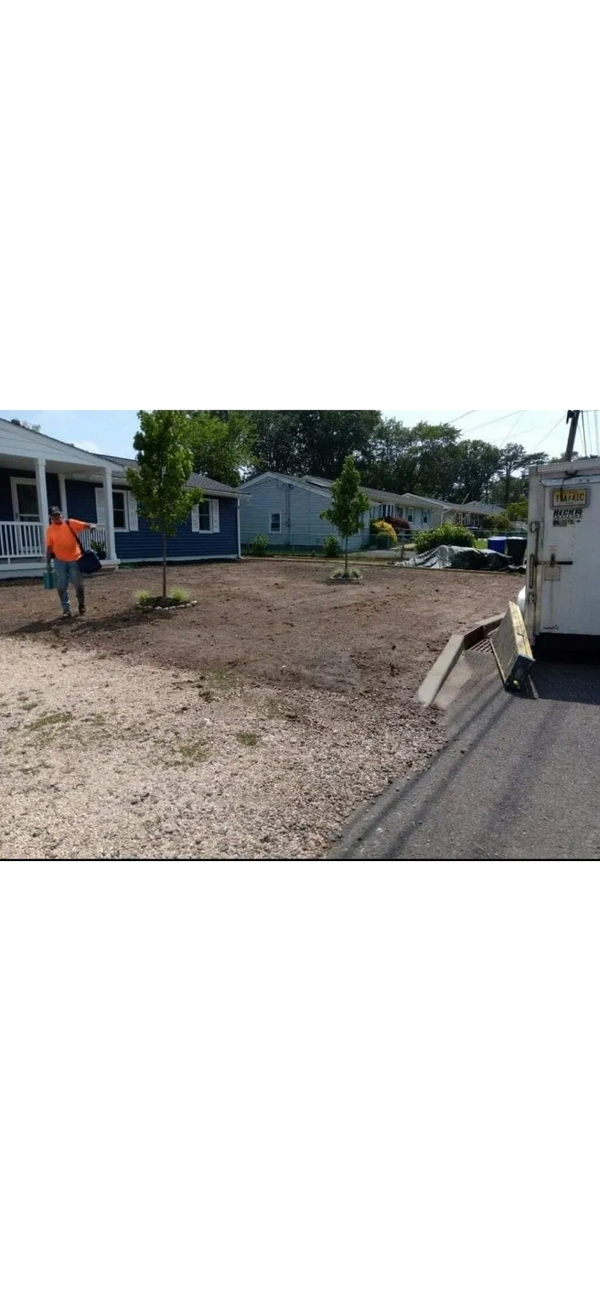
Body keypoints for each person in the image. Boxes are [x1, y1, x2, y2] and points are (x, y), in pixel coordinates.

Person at [45, 507, 94, 618]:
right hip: (59, 561)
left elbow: (86, 525)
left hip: (75, 559)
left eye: (58, 514)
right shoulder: (50, 530)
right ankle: (66, 610)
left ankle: (81, 605)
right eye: (54, 515)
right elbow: (49, 547)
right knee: (61, 586)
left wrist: (92, 526)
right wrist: (48, 563)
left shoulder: (70, 523)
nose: (57, 517)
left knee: (78, 585)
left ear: (62, 514)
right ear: (51, 517)